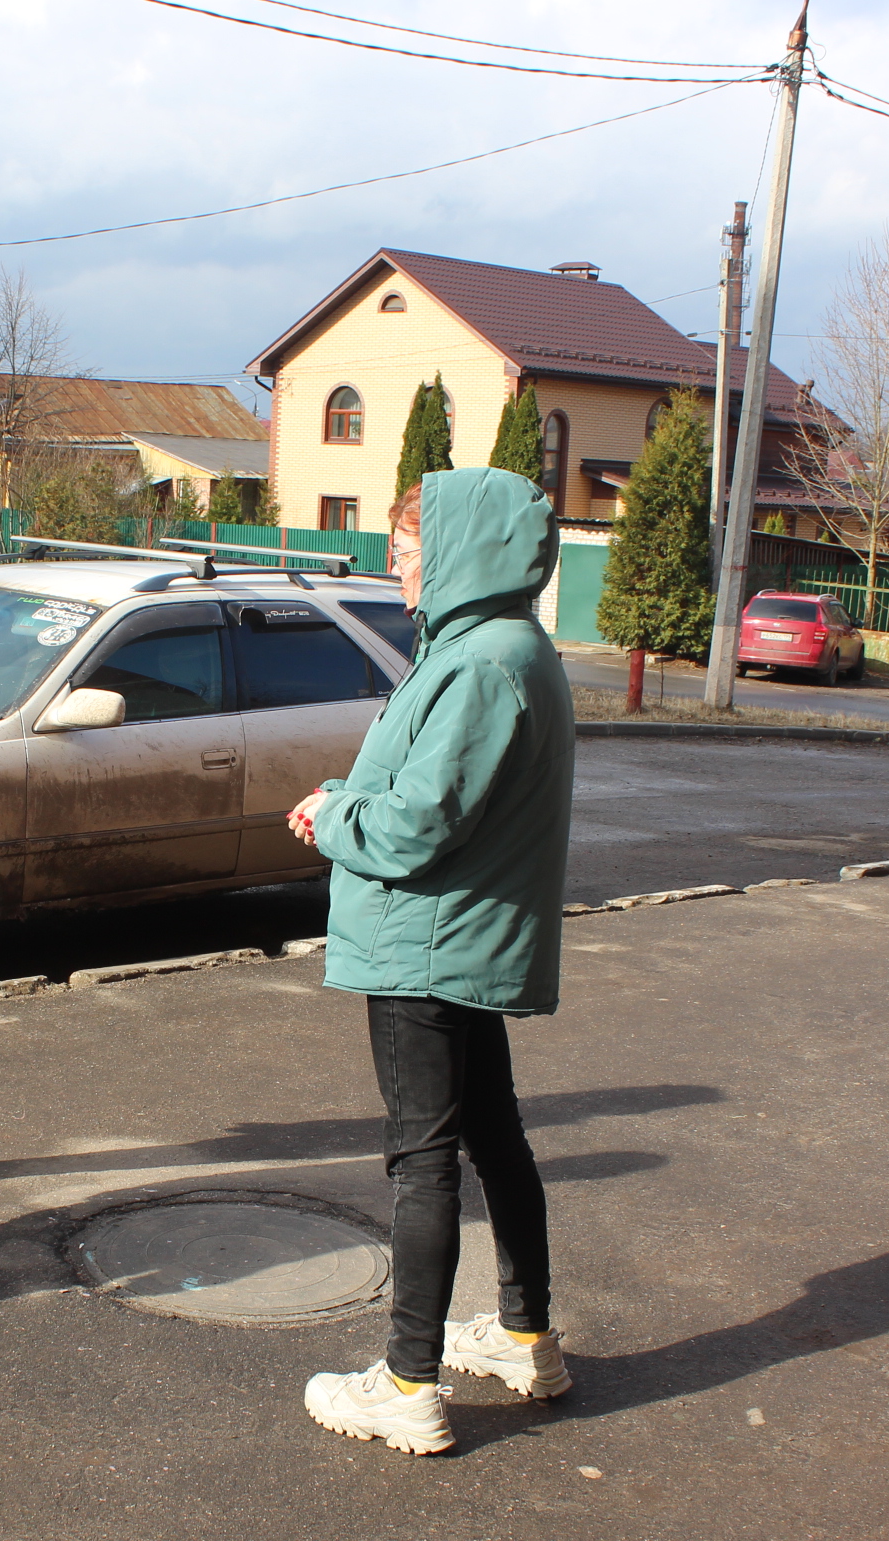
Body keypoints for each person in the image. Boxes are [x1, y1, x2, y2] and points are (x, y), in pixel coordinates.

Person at [287, 467, 577, 1455]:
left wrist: (335, 818)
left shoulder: (482, 662)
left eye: (408, 549)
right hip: (459, 937)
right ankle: (524, 1337)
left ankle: (407, 1385)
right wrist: (344, 798)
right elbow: (433, 791)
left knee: (425, 1161)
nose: (397, 566)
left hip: (430, 943)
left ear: (456, 554)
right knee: (494, 1141)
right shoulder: (497, 648)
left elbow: (420, 823)